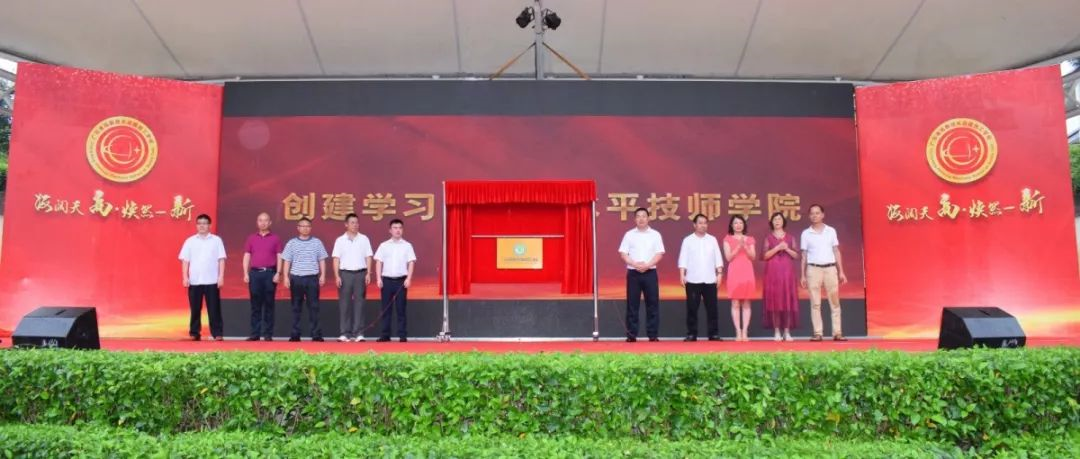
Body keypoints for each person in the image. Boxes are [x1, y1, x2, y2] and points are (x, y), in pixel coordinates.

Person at [800, 204, 848, 341]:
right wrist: (802, 275)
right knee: (815, 303)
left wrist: (841, 271)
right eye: (812, 213)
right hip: (813, 269)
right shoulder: (806, 233)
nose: (814, 216)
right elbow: (804, 255)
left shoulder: (831, 231)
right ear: (809, 216)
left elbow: (836, 251)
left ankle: (837, 332)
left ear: (822, 215)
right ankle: (818, 333)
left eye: (817, 213)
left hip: (830, 269)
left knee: (834, 301)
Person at [618, 208, 665, 342]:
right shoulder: (629, 235)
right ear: (635, 219)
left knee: (652, 304)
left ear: (648, 218)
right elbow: (623, 253)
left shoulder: (655, 235)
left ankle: (653, 335)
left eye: (644, 216)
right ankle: (631, 335)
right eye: (638, 216)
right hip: (633, 273)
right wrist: (635, 264)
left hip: (650, 273)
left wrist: (647, 265)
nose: (641, 219)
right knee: (632, 305)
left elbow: (659, 253)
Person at [178, 214, 226, 341]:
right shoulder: (190, 241)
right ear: (196, 225)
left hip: (212, 280)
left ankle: (217, 333)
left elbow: (221, 259)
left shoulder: (216, 240)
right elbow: (185, 261)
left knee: (214, 308)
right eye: (199, 223)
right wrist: (185, 277)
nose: (202, 226)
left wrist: (221, 276)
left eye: (204, 223)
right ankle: (194, 333)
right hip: (195, 280)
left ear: (209, 225)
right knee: (195, 308)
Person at [677, 213, 724, 342]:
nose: (703, 225)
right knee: (692, 308)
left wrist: (719, 274)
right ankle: (692, 334)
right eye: (700, 223)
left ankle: (713, 334)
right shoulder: (688, 240)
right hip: (693, 279)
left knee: (712, 308)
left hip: (710, 279)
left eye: (705, 223)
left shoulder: (712, 240)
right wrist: (682, 274)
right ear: (694, 225)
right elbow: (683, 259)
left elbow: (718, 258)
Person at [280, 217, 328, 342]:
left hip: (312, 278)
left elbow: (322, 260)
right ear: (298, 228)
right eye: (303, 226)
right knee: (296, 307)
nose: (305, 228)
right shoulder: (291, 243)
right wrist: (285, 277)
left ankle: (316, 335)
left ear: (311, 228)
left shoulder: (317, 242)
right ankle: (295, 334)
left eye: (308, 226)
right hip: (296, 278)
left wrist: (322, 275)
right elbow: (287, 261)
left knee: (314, 307)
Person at [332, 213, 373, 342]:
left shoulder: (364, 239)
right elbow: (336, 259)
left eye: (357, 222)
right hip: (345, 274)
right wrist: (337, 276)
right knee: (344, 304)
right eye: (352, 222)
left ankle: (359, 333)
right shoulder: (340, 240)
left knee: (359, 304)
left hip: (360, 273)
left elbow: (368, 257)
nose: (355, 225)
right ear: (346, 224)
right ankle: (345, 333)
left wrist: (368, 273)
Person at [374, 219, 416, 342]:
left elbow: (411, 262)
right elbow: (379, 262)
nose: (398, 230)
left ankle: (402, 335)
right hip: (386, 281)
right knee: (386, 309)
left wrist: (409, 278)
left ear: (403, 230)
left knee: (401, 309)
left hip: (401, 282)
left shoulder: (407, 245)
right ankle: (385, 335)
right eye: (395, 228)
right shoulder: (384, 245)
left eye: (400, 228)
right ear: (390, 230)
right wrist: (378, 278)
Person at [242, 212, 282, 341]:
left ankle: (268, 334)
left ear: (270, 223)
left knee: (269, 304)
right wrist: (245, 273)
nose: (263, 223)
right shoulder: (251, 238)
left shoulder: (275, 238)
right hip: (254, 274)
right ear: (257, 222)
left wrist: (278, 272)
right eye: (260, 220)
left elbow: (279, 256)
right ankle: (255, 334)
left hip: (270, 274)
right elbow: (247, 255)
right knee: (255, 305)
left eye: (265, 220)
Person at [762, 212, 799, 342]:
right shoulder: (768, 238)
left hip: (787, 273)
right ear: (771, 222)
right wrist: (777, 247)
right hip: (773, 273)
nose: (777, 221)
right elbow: (764, 256)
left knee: (787, 301)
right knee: (775, 302)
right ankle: (777, 331)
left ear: (783, 221)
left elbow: (796, 255)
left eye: (779, 219)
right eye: (775, 219)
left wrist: (787, 249)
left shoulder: (790, 237)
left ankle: (787, 331)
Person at [723, 215, 756, 341]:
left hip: (747, 271)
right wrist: (738, 246)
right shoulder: (727, 239)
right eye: (735, 223)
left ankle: (745, 331)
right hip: (734, 272)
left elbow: (753, 256)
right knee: (735, 302)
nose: (738, 225)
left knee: (746, 302)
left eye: (740, 223)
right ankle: (738, 331)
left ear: (744, 225)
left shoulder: (750, 239)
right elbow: (728, 258)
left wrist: (745, 246)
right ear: (732, 225)